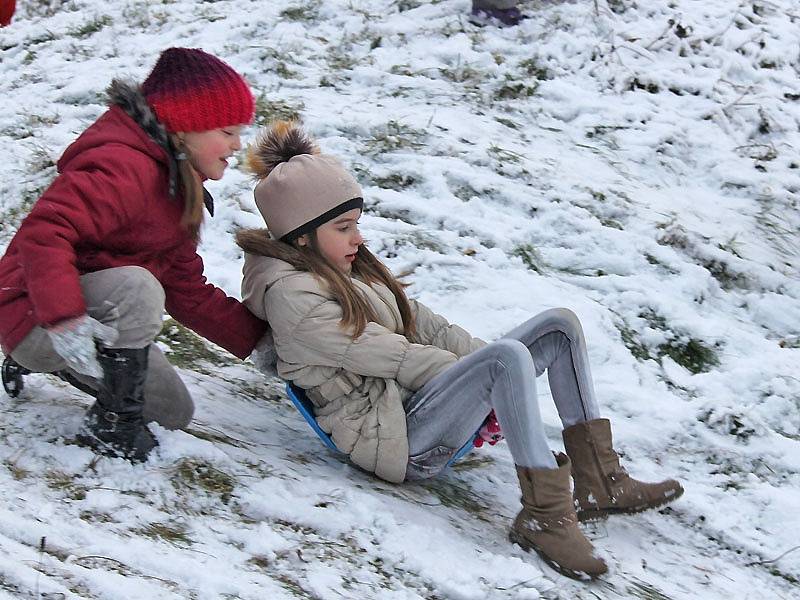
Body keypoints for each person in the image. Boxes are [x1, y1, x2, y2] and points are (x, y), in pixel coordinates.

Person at [236, 121, 684, 580]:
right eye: (344, 227)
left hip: (416, 407)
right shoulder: (292, 296)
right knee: (504, 360)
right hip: (392, 436)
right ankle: (545, 516)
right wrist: (487, 380)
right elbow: (392, 355)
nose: (359, 238)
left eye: (357, 225)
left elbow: (431, 326)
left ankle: (599, 481)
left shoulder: (349, 268)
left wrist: (489, 375)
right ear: (303, 235)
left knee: (559, 327)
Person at [0, 48, 269, 462]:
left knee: (172, 412)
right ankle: (111, 426)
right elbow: (44, 233)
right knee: (138, 285)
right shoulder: (122, 168)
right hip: (36, 314)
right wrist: (65, 320)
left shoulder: (179, 185)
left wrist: (257, 341)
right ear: (186, 127)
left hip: (95, 320)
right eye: (227, 131)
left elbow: (185, 288)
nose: (237, 145)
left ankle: (68, 369)